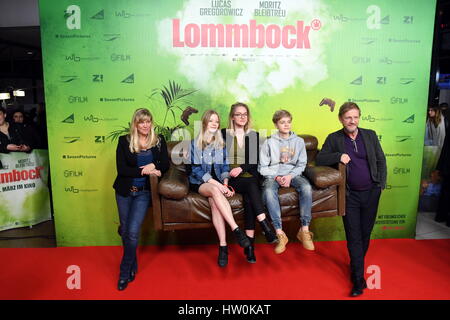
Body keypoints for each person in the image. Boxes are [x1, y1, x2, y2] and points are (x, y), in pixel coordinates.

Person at [316, 102, 387, 297]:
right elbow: (320, 158)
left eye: (355, 117)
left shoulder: (370, 135)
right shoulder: (334, 138)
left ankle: (356, 264)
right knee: (354, 237)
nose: (352, 121)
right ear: (341, 119)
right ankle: (357, 279)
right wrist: (339, 155)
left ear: (359, 118)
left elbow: (381, 160)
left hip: (372, 192)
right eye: (348, 117)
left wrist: (380, 184)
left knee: (365, 234)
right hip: (349, 196)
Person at [112, 108, 169, 291]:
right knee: (127, 231)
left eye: (148, 121)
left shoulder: (158, 141)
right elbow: (122, 170)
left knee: (133, 232)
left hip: (143, 193)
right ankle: (132, 264)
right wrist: (144, 170)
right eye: (141, 122)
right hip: (124, 192)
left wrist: (154, 165)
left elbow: (165, 164)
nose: (145, 125)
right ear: (135, 124)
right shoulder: (124, 141)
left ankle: (124, 270)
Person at [189, 109, 251, 267]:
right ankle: (236, 229)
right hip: (200, 183)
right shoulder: (194, 143)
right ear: (204, 123)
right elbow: (196, 170)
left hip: (217, 184)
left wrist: (225, 183)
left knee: (215, 204)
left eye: (216, 121)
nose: (214, 124)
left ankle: (223, 247)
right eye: (211, 121)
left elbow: (224, 166)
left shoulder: (220, 144)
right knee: (215, 191)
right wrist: (219, 186)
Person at [221, 102, 277, 263]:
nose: (242, 117)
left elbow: (255, 160)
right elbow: (217, 155)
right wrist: (234, 171)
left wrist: (241, 167)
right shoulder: (223, 134)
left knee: (249, 198)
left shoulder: (254, 135)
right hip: (233, 178)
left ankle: (250, 248)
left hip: (249, 176)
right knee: (251, 186)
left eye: (245, 114)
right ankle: (265, 225)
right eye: (238, 114)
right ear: (232, 117)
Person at [259, 110, 314, 254]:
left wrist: (290, 176)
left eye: (288, 122)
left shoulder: (299, 142)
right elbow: (262, 167)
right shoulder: (269, 142)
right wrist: (277, 177)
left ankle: (304, 230)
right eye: (282, 122)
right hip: (273, 175)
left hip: (293, 174)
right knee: (269, 191)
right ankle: (280, 234)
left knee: (307, 187)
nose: (286, 125)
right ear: (276, 124)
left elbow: (301, 164)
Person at [435, 129, 450, 226]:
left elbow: (444, 149)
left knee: (445, 192)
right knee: (445, 192)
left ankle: (440, 216)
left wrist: (439, 167)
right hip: (446, 166)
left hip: (446, 167)